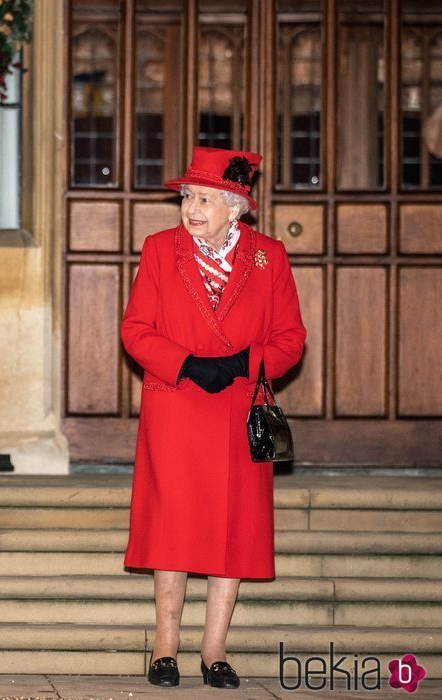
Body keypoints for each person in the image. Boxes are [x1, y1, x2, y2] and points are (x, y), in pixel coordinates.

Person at [120, 147, 306, 689]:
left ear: (236, 205)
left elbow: (292, 339)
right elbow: (135, 330)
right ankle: (164, 651)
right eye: (187, 197)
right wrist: (187, 364)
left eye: (204, 198)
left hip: (238, 407)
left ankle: (215, 651)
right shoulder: (159, 250)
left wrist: (245, 362)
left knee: (232, 532)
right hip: (176, 402)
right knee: (173, 527)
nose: (191, 208)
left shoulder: (269, 256)